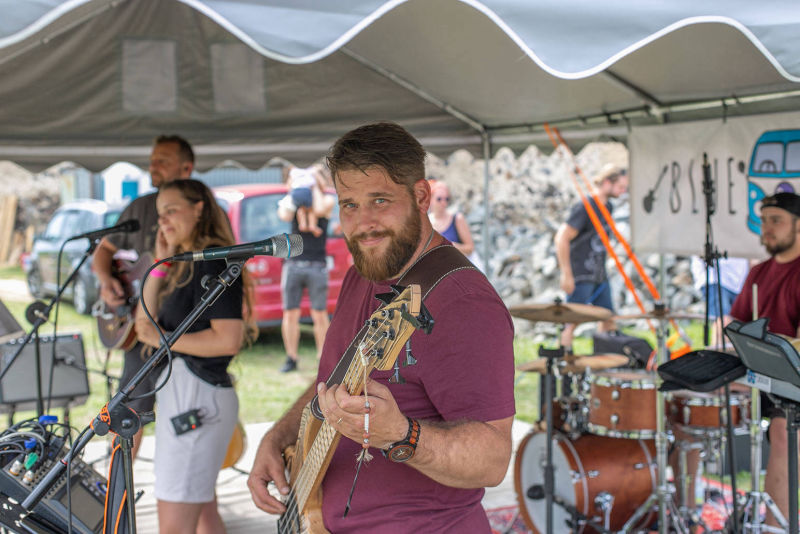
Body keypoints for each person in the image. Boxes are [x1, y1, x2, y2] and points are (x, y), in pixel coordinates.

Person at [247, 122, 515, 532]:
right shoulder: (365, 271)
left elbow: (491, 461)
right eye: (349, 204)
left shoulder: (463, 302)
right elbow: (330, 384)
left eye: (380, 200)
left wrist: (402, 434)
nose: (363, 222)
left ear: (421, 196)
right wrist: (277, 437)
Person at [135, 179, 255, 534]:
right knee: (204, 515)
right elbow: (144, 325)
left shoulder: (214, 262)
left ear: (198, 208)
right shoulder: (184, 263)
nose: (163, 221)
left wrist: (165, 340)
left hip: (197, 397)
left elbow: (227, 339)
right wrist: (160, 264)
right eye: (160, 214)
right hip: (185, 396)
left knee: (175, 522)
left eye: (171, 210)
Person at [92, 134, 194, 460]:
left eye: (162, 161)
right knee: (129, 408)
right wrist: (107, 280)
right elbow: (104, 251)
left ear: (186, 168)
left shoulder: (200, 210)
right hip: (141, 325)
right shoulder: (140, 207)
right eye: (152, 161)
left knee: (186, 411)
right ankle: (116, 481)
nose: (153, 167)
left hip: (185, 326)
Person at [729, 192, 800, 528]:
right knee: (688, 401)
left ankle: (775, 526)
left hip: (793, 379)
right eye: (764, 220)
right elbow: (735, 323)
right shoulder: (758, 272)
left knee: (783, 431)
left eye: (776, 221)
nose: (767, 228)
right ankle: (684, 508)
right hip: (757, 373)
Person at [554, 164, 629, 349]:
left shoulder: (608, 207)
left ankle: (605, 356)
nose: (623, 191)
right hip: (581, 274)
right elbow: (562, 237)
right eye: (620, 187)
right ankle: (564, 358)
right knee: (572, 322)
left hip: (599, 274)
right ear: (607, 182)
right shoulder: (585, 207)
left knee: (608, 317)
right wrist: (566, 274)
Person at [276, 164, 336, 373]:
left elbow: (319, 210)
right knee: (290, 313)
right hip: (293, 264)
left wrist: (315, 187)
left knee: (319, 314)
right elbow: (284, 215)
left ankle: (322, 358)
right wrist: (296, 188)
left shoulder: (327, 200)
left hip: (317, 266)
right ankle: (291, 358)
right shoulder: (296, 198)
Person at [689, 255, 749, 345]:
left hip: (740, 280)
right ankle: (719, 352)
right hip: (716, 277)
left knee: (738, 326)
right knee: (723, 322)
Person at [428, 181, 475, 257]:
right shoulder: (425, 222)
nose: (443, 202)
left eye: (446, 199)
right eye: (439, 199)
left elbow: (470, 248)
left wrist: (450, 246)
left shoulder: (457, 218)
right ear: (430, 199)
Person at [280, 165, 325, 237]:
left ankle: (302, 224)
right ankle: (312, 225)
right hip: (306, 191)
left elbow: (288, 186)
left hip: (295, 192)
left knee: (301, 209)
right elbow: (323, 186)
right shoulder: (310, 169)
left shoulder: (294, 171)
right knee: (310, 210)